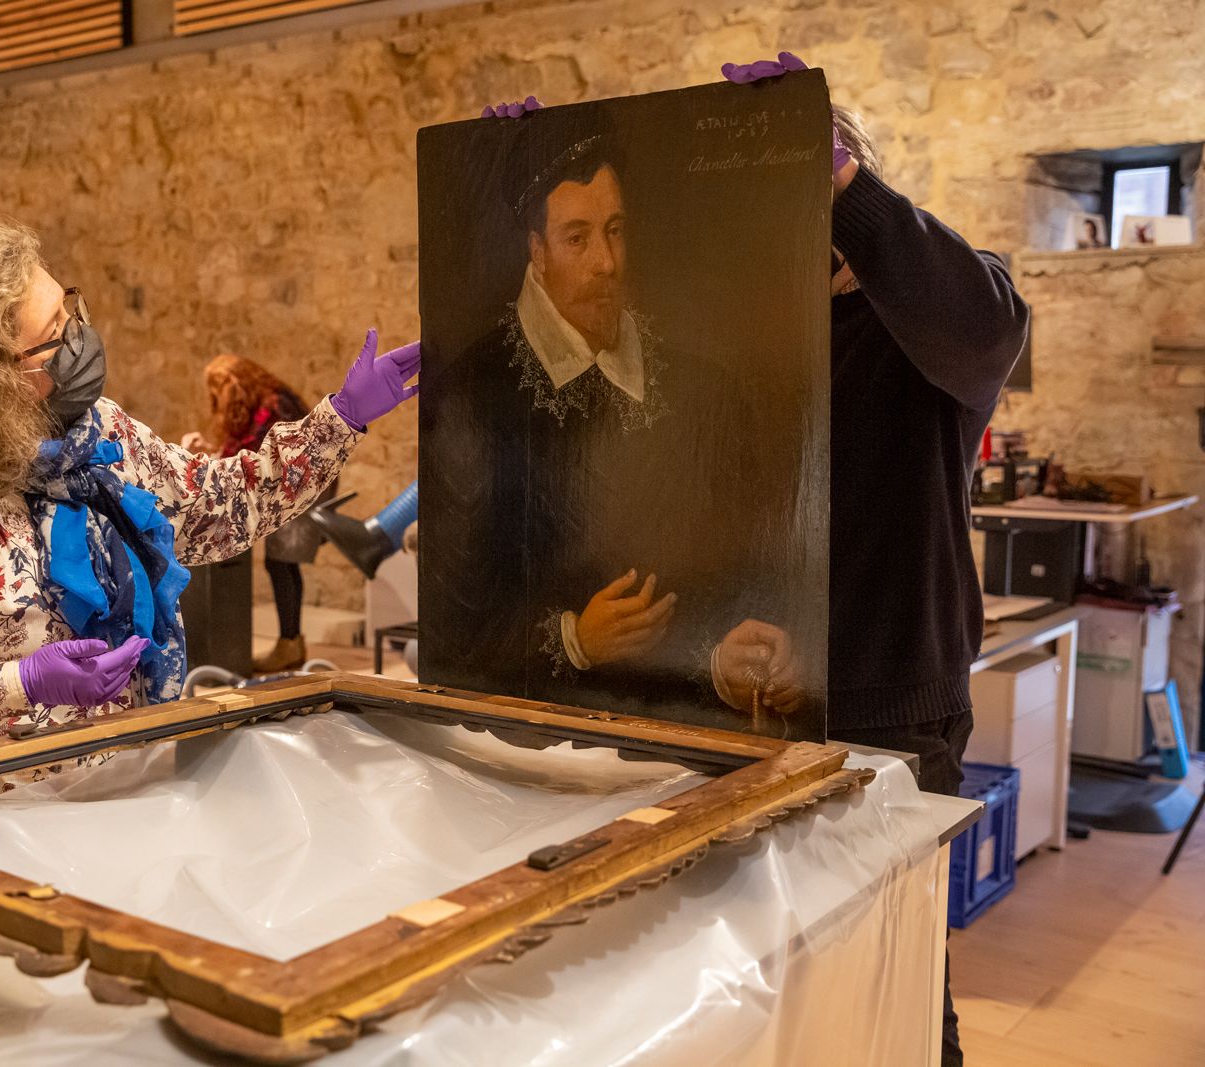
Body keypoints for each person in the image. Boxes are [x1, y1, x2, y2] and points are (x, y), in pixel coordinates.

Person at [0, 221, 418, 768]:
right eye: (56, 333)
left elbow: (213, 507)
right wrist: (17, 685)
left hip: (117, 778)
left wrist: (340, 419)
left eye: (70, 311)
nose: (80, 337)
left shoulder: (97, 433)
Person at [722, 52, 1031, 1067]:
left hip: (887, 705)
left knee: (898, 985)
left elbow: (985, 324)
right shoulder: (748, 332)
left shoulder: (931, 317)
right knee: (775, 984)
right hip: (748, 703)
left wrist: (845, 183)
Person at [422, 102, 806, 726]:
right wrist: (574, 640)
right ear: (537, 250)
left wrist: (733, 661)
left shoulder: (706, 388)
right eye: (577, 238)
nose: (605, 261)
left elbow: (745, 567)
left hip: (678, 745)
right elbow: (454, 623)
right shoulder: (472, 391)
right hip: (529, 745)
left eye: (616, 230)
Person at [180, 354, 333, 673]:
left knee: (282, 561)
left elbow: (262, 455)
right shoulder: (264, 402)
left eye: (216, 391)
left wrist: (213, 455)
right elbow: (248, 454)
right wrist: (211, 450)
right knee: (281, 562)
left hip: (301, 483)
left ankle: (290, 644)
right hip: (294, 482)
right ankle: (290, 642)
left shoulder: (272, 405)